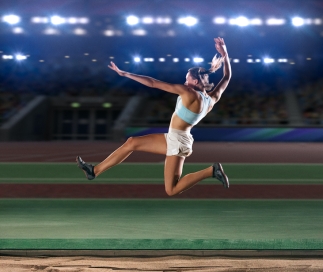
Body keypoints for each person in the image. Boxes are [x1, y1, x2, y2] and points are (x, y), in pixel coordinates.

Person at [76, 37, 231, 195]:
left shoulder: (189, 93)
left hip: (177, 140)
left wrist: (125, 74)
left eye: (187, 80)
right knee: (132, 142)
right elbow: (227, 77)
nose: (184, 83)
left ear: (196, 82)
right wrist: (224, 53)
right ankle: (94, 171)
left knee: (171, 190)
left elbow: (153, 83)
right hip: (179, 138)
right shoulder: (212, 98)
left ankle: (211, 171)